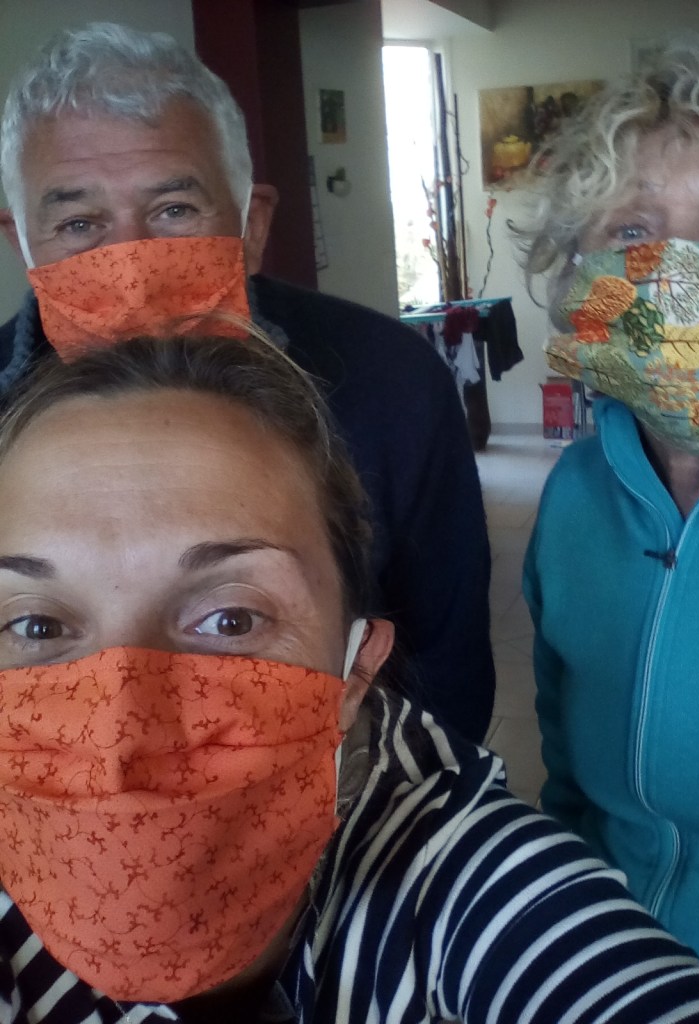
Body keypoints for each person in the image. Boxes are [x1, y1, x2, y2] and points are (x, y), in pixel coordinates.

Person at [0, 331, 699, 1024]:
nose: (123, 726)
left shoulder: (461, 872)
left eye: (230, 620)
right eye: (37, 626)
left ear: (356, 669)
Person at [0, 21, 494, 744]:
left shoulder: (394, 382)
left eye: (174, 211)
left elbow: (446, 663)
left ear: (252, 225)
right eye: (78, 223)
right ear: (22, 245)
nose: (131, 259)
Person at [518, 39, 699, 1009]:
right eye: (632, 229)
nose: (680, 270)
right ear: (582, 277)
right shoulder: (574, 497)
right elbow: (570, 790)